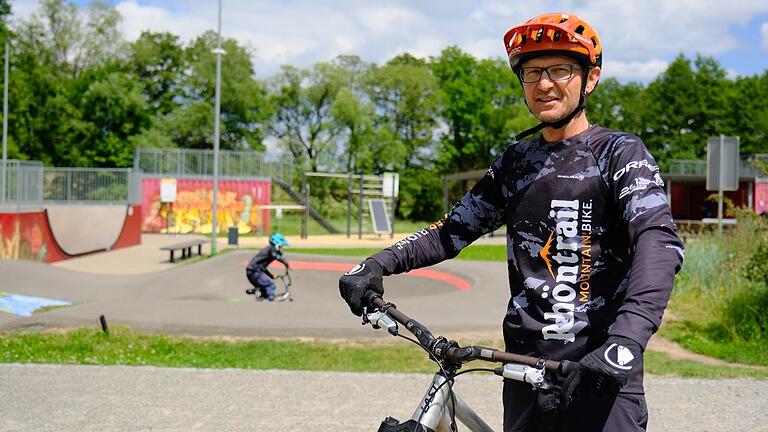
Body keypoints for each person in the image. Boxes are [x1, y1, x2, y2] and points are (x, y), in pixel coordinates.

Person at [339, 12, 684, 432]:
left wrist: (627, 340)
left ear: (590, 78)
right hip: (522, 371)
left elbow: (658, 243)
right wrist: (376, 264)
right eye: (533, 72)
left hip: (601, 374)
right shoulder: (516, 163)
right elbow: (452, 231)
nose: (544, 84)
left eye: (559, 69)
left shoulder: (619, 153)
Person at [246, 232, 290, 301]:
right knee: (270, 286)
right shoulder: (271, 249)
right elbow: (275, 256)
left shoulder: (270, 250)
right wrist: (286, 263)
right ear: (276, 243)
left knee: (265, 293)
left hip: (252, 272)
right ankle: (271, 303)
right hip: (254, 272)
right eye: (280, 246)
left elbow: (262, 267)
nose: (281, 248)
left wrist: (271, 276)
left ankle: (261, 297)